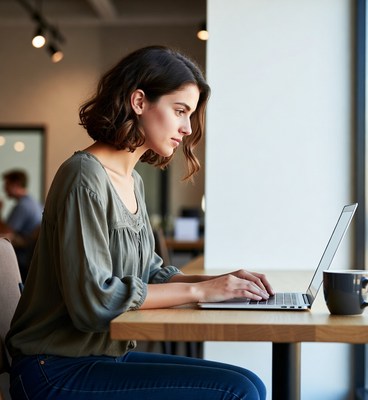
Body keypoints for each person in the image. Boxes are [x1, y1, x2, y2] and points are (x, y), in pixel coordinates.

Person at [6, 45, 274, 400]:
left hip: (100, 356)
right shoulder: (83, 177)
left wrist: (220, 283)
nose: (187, 128)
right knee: (238, 391)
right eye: (180, 110)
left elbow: (151, 270)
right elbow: (94, 303)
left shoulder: (132, 180)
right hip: (53, 370)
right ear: (139, 102)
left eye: (190, 115)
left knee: (251, 383)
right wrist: (201, 292)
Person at [0, 169, 42, 281]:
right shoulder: (32, 202)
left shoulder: (23, 206)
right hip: (31, 259)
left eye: (7, 184)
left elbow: (5, 234)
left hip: (22, 260)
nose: (4, 189)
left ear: (16, 184)